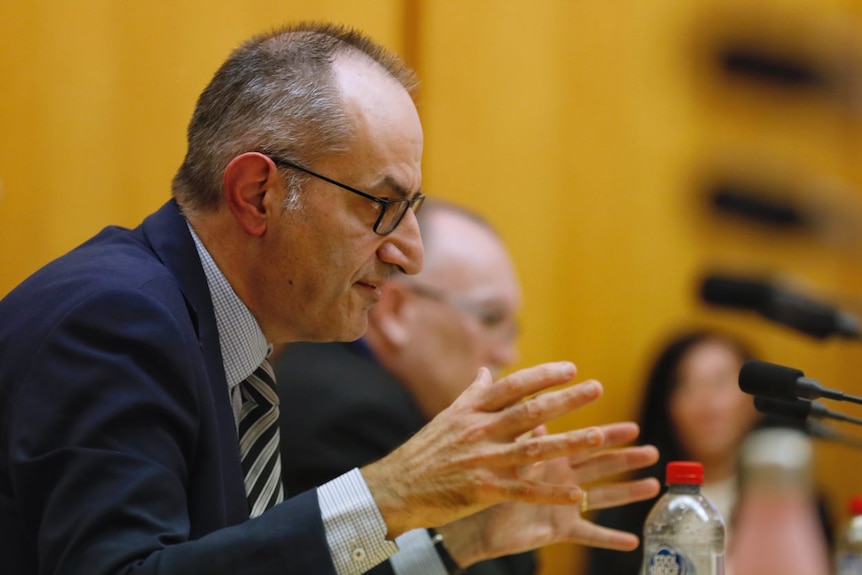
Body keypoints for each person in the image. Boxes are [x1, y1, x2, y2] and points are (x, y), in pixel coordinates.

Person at [0, 22, 661, 575]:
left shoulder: (218, 339)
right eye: (381, 204)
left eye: (412, 209)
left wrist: (460, 540)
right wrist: (388, 494)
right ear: (258, 193)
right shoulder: (117, 320)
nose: (411, 252)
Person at [275, 198, 536, 574]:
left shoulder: (336, 374)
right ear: (397, 311)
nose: (508, 352)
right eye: (490, 317)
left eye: (511, 328)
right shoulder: (353, 414)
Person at [584, 327, 832, 575]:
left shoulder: (789, 502)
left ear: (753, 404)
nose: (706, 400)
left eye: (720, 382)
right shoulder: (620, 518)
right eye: (687, 385)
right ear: (668, 407)